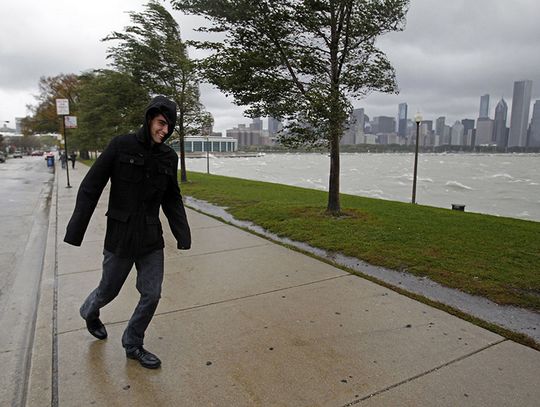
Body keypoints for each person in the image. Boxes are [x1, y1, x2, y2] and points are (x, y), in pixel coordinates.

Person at [64, 95, 191, 369]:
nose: (164, 131)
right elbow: (90, 187)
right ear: (149, 119)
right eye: (161, 123)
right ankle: (89, 311)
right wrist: (76, 231)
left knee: (152, 294)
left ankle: (133, 343)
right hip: (119, 238)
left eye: (169, 127)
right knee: (108, 291)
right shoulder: (121, 145)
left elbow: (172, 198)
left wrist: (183, 233)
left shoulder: (169, 156)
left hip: (150, 238)